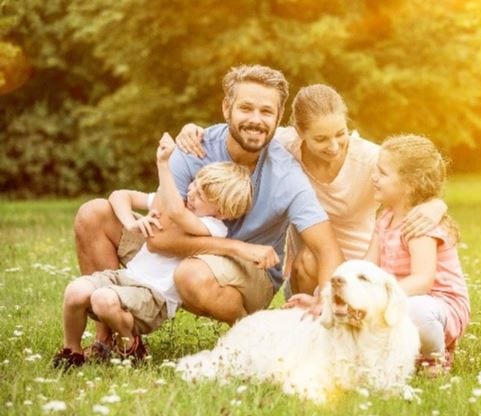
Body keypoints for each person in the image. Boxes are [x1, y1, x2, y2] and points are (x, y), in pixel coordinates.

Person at [74, 65, 343, 335]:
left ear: (279, 116)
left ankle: (248, 336)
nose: (256, 119)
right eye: (246, 108)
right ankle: (110, 338)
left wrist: (324, 302)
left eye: (266, 111)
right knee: (93, 214)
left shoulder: (286, 174)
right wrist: (235, 247)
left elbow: (327, 249)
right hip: (185, 251)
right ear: (227, 108)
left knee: (191, 274)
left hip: (245, 272)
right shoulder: (194, 148)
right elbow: (158, 240)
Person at [175, 84, 446, 302]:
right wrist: (191, 129)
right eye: (320, 139)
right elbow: (244, 130)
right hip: (309, 270)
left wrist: (436, 205)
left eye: (340, 134)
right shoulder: (284, 145)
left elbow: (418, 176)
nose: (334, 146)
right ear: (299, 132)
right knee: (309, 257)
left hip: (366, 263)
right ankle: (310, 323)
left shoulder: (370, 160)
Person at [53, 135, 252, 369]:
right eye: (194, 184)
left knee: (102, 299)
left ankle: (130, 346)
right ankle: (71, 352)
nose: (190, 192)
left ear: (222, 212)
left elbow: (178, 214)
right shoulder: (180, 201)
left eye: (200, 195)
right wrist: (131, 222)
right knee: (75, 291)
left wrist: (164, 165)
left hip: (154, 297)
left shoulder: (214, 228)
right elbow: (119, 195)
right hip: (127, 278)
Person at [366, 134, 470, 376]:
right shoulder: (384, 218)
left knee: (415, 312)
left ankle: (434, 358)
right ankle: (401, 354)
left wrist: (381, 299)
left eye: (382, 173)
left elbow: (423, 281)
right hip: (400, 297)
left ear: (409, 184)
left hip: (438, 305)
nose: (374, 177)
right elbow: (367, 267)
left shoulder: (420, 224)